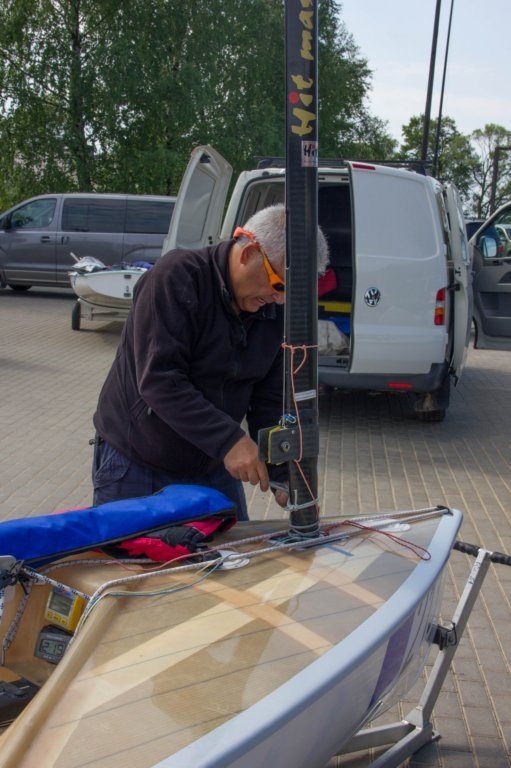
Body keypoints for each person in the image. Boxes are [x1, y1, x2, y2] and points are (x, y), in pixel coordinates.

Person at [91, 203, 329, 520]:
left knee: (234, 551)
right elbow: (160, 379)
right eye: (279, 285)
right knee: (129, 552)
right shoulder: (175, 278)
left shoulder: (273, 309)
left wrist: (282, 470)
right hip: (137, 462)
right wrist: (230, 441)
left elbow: (268, 397)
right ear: (249, 254)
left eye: (291, 292)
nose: (281, 299)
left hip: (211, 464)